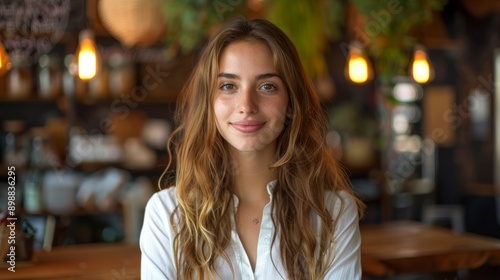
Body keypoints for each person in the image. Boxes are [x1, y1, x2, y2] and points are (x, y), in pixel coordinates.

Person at [140, 18, 365, 280]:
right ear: (208, 104)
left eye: (267, 86)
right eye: (228, 86)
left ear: (291, 103)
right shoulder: (167, 214)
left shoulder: (333, 212)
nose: (246, 105)